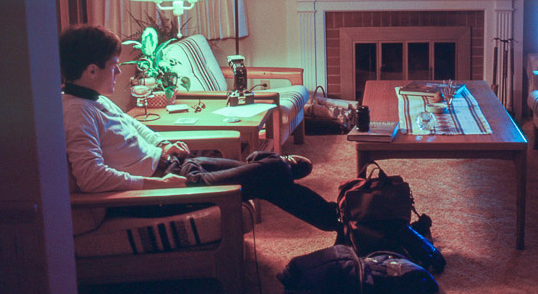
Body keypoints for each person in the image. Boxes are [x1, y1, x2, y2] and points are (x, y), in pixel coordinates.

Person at [60, 24, 340, 232]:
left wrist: (161, 143)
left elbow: (134, 126)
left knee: (267, 177)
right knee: (273, 172)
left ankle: (332, 216)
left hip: (175, 168)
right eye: (114, 67)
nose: (120, 73)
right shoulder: (77, 113)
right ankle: (328, 212)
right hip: (160, 193)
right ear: (92, 71)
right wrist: (157, 185)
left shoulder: (94, 99)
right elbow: (91, 178)